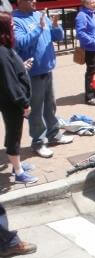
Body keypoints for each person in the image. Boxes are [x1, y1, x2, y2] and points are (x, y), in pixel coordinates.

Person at [13, 0, 73, 159]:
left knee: (50, 105)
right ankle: (38, 142)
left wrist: (55, 24)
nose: (34, 1)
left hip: (47, 69)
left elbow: (58, 37)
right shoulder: (15, 20)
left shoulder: (40, 15)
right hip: (32, 74)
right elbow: (20, 43)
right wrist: (39, 28)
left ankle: (53, 135)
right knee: (36, 110)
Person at [0, 11, 38, 184]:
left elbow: (11, 72)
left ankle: (17, 164)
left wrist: (22, 67)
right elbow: (10, 83)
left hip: (12, 101)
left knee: (14, 132)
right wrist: (24, 103)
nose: (14, 26)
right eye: (11, 24)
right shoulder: (2, 52)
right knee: (14, 135)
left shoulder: (6, 48)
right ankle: (18, 172)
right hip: (13, 103)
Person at [75, 0, 95, 106]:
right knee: (91, 72)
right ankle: (89, 97)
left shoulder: (92, 14)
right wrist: (93, 41)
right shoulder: (82, 15)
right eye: (91, 2)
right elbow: (80, 33)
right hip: (90, 49)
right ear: (85, 4)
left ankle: (94, 92)